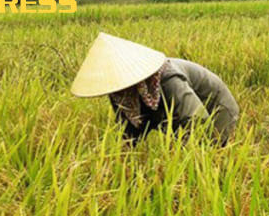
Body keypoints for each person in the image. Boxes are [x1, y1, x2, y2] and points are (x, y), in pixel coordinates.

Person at [71, 32, 239, 145]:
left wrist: (188, 153)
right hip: (181, 116)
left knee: (210, 155)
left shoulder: (168, 78)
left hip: (215, 109)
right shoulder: (120, 91)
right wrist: (125, 158)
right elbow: (130, 126)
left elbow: (196, 118)